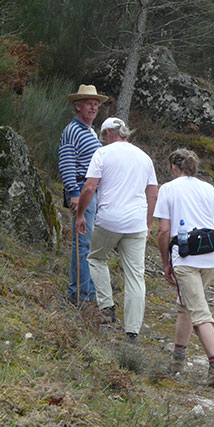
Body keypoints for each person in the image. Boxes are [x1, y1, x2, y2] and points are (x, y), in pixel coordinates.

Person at [153, 148, 214, 389]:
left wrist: (166, 262)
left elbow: (164, 230)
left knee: (199, 313)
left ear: (174, 167)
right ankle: (177, 360)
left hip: (186, 258)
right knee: (185, 306)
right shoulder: (208, 188)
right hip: (211, 258)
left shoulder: (168, 189)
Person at [76, 117, 158, 344]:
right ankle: (132, 331)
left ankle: (107, 306)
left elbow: (89, 187)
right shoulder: (144, 157)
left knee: (96, 258)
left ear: (107, 134)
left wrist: (80, 215)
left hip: (109, 219)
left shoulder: (102, 154)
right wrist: (148, 224)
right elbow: (153, 194)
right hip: (136, 222)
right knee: (135, 276)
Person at [58, 84, 108, 305]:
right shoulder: (72, 130)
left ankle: (80, 290)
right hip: (82, 191)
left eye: (95, 104)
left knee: (87, 243)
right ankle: (83, 295)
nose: (93, 107)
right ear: (78, 106)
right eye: (89, 103)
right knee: (84, 244)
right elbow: (67, 162)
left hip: (92, 193)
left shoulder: (90, 131)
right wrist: (74, 193)